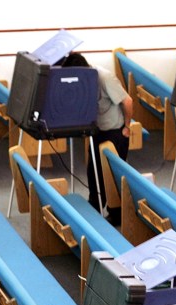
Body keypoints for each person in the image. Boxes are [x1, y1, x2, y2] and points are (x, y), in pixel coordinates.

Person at [62, 52, 133, 226]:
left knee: (111, 175)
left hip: (115, 132)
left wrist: (127, 127)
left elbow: (128, 101)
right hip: (98, 130)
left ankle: (117, 214)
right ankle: (95, 205)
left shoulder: (105, 77)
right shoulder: (84, 81)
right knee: (93, 171)